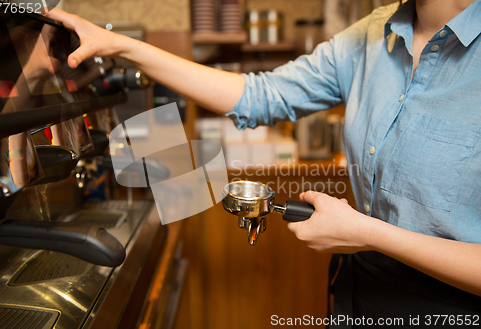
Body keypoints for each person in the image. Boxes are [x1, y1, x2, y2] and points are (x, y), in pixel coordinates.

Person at [47, 0, 481, 325]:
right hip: (358, 292)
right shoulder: (373, 33)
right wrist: (124, 46)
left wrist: (367, 232)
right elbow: (259, 96)